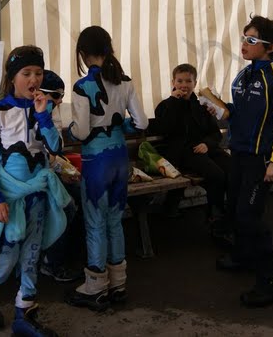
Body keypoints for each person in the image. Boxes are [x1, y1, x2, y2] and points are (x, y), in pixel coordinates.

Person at [0, 46, 71, 337]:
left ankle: (24, 314)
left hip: (37, 196)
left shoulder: (44, 109)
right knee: (7, 257)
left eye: (38, 73)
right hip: (9, 199)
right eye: (26, 73)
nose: (33, 79)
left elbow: (56, 148)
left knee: (32, 255)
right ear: (12, 77)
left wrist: (43, 116)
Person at [213, 16, 273, 308]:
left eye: (252, 40)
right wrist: (221, 110)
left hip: (261, 160)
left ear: (270, 47)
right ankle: (242, 256)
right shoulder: (243, 76)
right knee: (234, 208)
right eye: (243, 38)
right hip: (238, 154)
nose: (244, 44)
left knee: (249, 216)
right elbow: (240, 114)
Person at [66, 26, 148, 311]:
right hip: (120, 158)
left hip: (96, 161)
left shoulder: (82, 86)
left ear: (83, 53)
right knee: (115, 220)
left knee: (95, 222)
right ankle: (118, 284)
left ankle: (95, 286)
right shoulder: (125, 81)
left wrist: (69, 130)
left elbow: (81, 131)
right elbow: (141, 123)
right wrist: (120, 125)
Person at [153, 63, 231, 238]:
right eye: (180, 81)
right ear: (173, 82)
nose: (184, 85)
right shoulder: (165, 105)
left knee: (233, 168)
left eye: (188, 81)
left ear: (194, 83)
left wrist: (207, 144)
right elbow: (163, 129)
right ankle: (215, 217)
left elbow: (215, 134)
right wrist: (174, 102)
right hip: (181, 153)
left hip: (204, 149)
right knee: (216, 175)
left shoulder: (201, 107)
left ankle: (232, 213)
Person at [39, 70, 84, 283]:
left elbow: (54, 152)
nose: (60, 101)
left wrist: (64, 170)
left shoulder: (51, 111)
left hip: (49, 170)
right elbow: (42, 155)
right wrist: (60, 170)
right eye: (56, 95)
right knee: (66, 207)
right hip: (32, 176)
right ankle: (52, 261)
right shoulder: (29, 112)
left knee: (84, 194)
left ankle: (72, 252)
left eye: (61, 96)